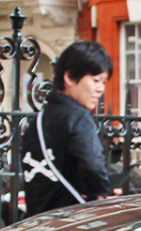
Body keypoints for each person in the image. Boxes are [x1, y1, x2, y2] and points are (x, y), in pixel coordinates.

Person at [23, 40, 113, 217]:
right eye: (95, 80)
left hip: (36, 222)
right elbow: (93, 166)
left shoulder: (39, 119)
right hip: (71, 223)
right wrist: (101, 195)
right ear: (70, 77)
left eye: (103, 81)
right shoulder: (78, 117)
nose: (100, 89)